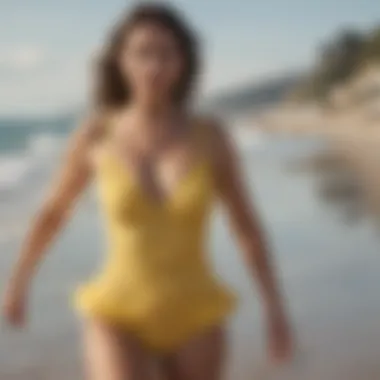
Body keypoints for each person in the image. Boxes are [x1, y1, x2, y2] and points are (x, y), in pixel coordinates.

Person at [2, 3, 293, 380]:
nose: (154, 66)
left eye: (166, 53)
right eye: (142, 53)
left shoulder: (211, 136)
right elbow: (54, 212)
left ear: (184, 61)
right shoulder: (96, 134)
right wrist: (18, 283)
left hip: (196, 313)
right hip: (117, 311)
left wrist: (275, 309)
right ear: (121, 60)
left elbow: (246, 227)